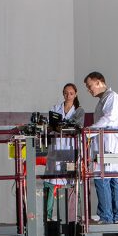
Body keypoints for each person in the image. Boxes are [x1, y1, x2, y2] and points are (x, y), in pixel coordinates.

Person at [84, 71, 118, 224]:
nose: (89, 90)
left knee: (102, 180)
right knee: (113, 181)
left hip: (109, 147)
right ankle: (116, 217)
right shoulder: (105, 100)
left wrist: (89, 131)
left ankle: (107, 217)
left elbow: (108, 118)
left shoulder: (112, 98)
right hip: (109, 147)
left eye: (90, 86)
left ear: (99, 82)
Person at [45, 83, 85, 220]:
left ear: (75, 94)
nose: (68, 96)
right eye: (66, 93)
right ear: (63, 94)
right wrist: (59, 127)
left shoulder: (79, 110)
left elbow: (78, 126)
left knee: (71, 182)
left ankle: (71, 217)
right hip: (55, 149)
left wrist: (62, 127)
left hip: (70, 150)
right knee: (50, 182)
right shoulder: (55, 109)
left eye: (71, 93)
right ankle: (47, 216)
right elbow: (51, 126)